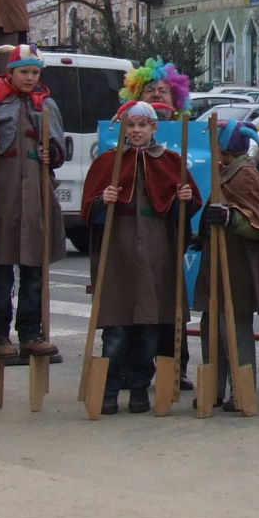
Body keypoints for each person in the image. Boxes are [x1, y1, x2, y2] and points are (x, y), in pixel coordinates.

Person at [84, 101, 196, 415]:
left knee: (150, 328)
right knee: (116, 330)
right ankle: (108, 389)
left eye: (142, 125)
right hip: (118, 251)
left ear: (153, 127)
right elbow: (89, 210)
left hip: (156, 251)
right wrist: (101, 201)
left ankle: (139, 388)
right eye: (131, 125)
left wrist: (184, 200)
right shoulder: (109, 162)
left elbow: (184, 212)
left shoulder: (170, 161)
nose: (136, 131)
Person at [0, 46, 65, 368]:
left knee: (34, 269)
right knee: (1, 269)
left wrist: (52, 154)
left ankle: (31, 333)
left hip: (35, 197)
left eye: (35, 73)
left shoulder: (46, 105)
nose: (30, 78)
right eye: (24, 72)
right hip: (1, 196)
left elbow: (59, 148)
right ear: (10, 73)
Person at [197, 121, 259, 410]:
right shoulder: (226, 171)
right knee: (212, 325)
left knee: (234, 327)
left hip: (236, 265)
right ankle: (213, 389)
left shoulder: (246, 176)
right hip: (218, 263)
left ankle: (241, 391)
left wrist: (232, 218)